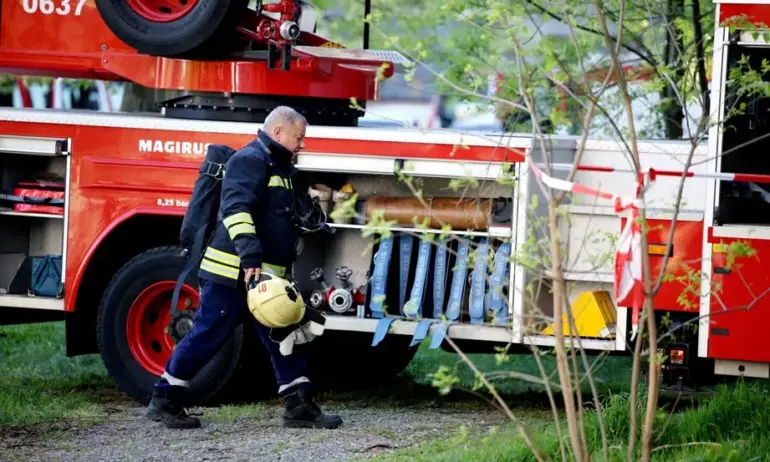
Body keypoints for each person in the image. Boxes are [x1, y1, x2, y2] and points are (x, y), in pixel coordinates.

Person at [146, 106, 343, 430]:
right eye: (299, 138)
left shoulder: (280, 168)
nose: (302, 144)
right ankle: (164, 399)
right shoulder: (248, 160)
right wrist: (250, 257)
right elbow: (236, 211)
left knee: (285, 335)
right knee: (207, 336)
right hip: (233, 274)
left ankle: (299, 406)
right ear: (278, 132)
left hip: (264, 278)